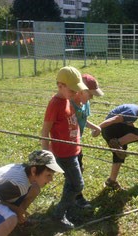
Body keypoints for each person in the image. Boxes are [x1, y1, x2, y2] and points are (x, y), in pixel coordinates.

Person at [0, 150, 64, 236]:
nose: (51, 179)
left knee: (35, 189)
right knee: (11, 219)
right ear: (34, 170)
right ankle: (9, 223)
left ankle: (14, 224)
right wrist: (17, 210)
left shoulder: (24, 170)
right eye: (48, 175)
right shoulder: (20, 184)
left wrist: (18, 210)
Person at [41, 66, 88, 228]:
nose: (76, 93)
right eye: (73, 90)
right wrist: (46, 153)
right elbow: (45, 131)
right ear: (60, 86)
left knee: (71, 182)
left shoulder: (67, 99)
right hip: (64, 154)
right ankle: (58, 215)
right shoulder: (55, 104)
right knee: (77, 184)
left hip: (73, 151)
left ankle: (68, 205)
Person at [95, 102, 138, 190]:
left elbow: (129, 124)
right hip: (109, 128)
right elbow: (115, 119)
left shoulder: (136, 112)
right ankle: (117, 142)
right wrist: (98, 128)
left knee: (120, 154)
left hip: (114, 130)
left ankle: (111, 181)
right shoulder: (132, 112)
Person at [71, 73, 104, 208]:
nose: (91, 97)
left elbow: (83, 119)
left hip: (78, 141)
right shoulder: (70, 104)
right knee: (74, 170)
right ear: (81, 90)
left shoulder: (85, 103)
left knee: (79, 168)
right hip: (69, 142)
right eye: (90, 94)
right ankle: (76, 198)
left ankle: (74, 195)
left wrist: (96, 127)